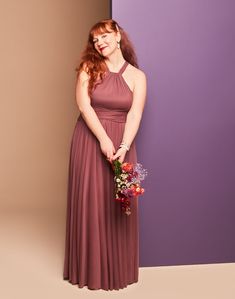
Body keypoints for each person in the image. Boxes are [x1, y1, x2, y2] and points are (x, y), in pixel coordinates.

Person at [63, 18, 147, 291]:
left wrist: (123, 147)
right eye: (95, 39)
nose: (100, 42)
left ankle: (120, 270)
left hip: (124, 144)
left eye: (104, 36)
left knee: (121, 207)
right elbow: (84, 106)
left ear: (118, 36)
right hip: (89, 140)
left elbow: (135, 114)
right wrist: (103, 139)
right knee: (91, 202)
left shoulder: (138, 76)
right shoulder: (89, 67)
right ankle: (89, 270)